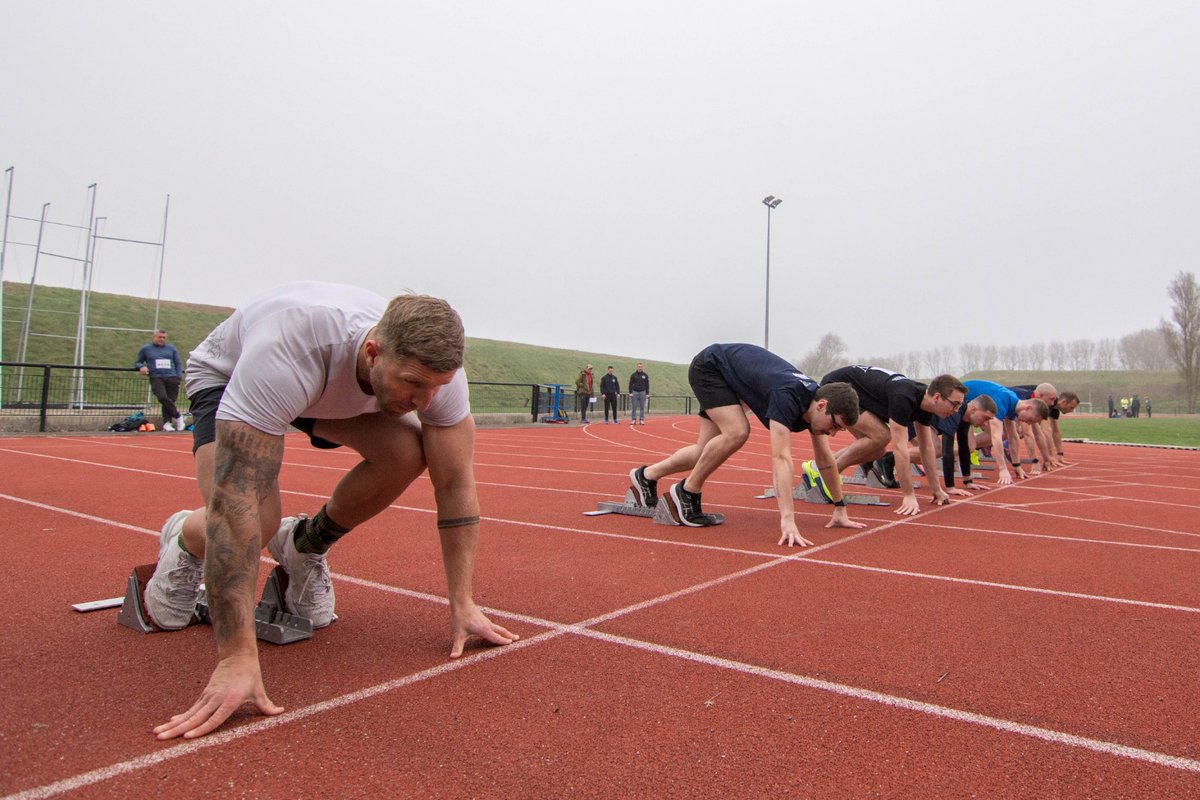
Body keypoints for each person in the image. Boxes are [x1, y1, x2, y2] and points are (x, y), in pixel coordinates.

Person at [146, 282, 518, 741]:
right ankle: (184, 536)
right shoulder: (291, 348)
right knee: (256, 522)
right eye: (414, 385)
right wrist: (236, 659)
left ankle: (305, 545)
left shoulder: (437, 379)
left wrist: (462, 602)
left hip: (325, 389)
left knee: (406, 452)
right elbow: (235, 500)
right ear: (373, 352)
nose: (425, 402)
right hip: (232, 375)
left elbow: (455, 483)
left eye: (436, 387)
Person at [626, 343, 863, 546]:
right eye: (835, 425)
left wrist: (840, 507)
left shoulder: (815, 408)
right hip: (711, 367)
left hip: (730, 375)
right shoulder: (788, 396)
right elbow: (781, 458)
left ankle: (645, 476)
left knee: (705, 450)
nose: (832, 434)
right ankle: (686, 492)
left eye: (839, 430)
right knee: (737, 432)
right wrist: (788, 519)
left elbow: (825, 462)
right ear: (822, 405)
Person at [816, 366, 966, 516]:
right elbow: (899, 448)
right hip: (837, 388)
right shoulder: (904, 397)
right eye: (955, 404)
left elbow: (926, 447)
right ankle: (826, 477)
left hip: (859, 393)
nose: (956, 410)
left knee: (877, 451)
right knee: (882, 436)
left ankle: (819, 468)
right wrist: (908, 495)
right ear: (937, 397)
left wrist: (936, 489)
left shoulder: (924, 403)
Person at [963, 379, 1050, 485]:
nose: (1029, 423)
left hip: (970, 406)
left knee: (974, 443)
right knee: (971, 446)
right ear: (1029, 408)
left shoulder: (1013, 402)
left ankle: (956, 451)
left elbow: (1013, 437)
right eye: (1031, 420)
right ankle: (946, 452)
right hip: (962, 405)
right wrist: (1003, 469)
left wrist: (1016, 465)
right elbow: (996, 437)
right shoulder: (1002, 401)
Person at [135, 329, 184, 431]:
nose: (162, 339)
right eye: (159, 337)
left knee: (170, 400)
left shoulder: (171, 348)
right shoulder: (146, 349)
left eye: (164, 337)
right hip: (156, 377)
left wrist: (178, 377)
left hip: (172, 377)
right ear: (154, 337)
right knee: (162, 397)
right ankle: (178, 416)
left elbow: (178, 363)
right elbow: (138, 362)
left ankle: (167, 423)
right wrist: (141, 367)